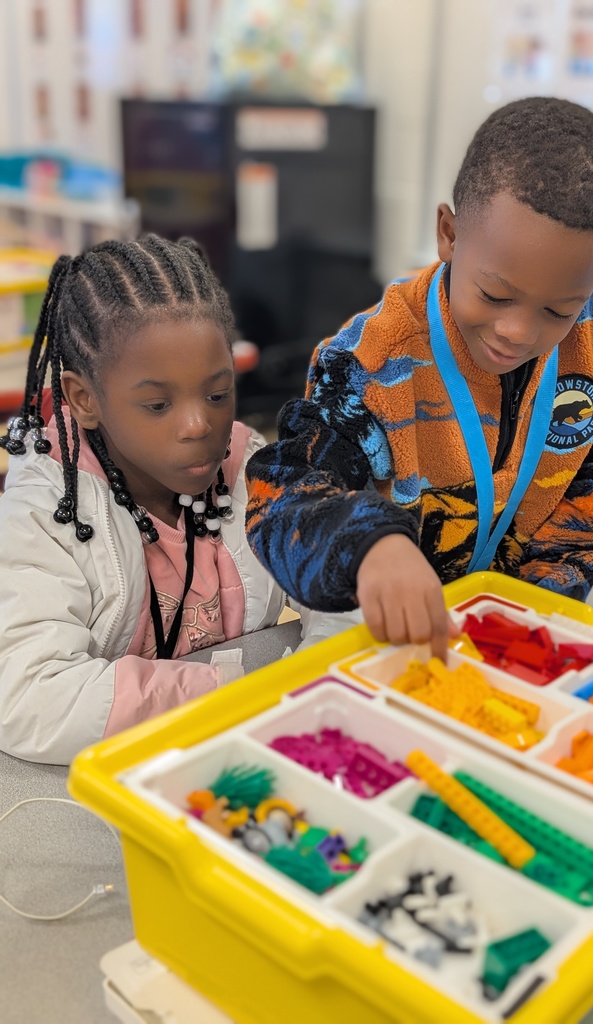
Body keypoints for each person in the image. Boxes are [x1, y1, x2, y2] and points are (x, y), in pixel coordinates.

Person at [245, 97, 593, 658]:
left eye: (558, 311)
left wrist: (532, 615)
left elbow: (588, 503)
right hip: (379, 631)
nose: (518, 332)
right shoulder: (368, 364)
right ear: (449, 234)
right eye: (496, 295)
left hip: (513, 630)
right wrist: (369, 544)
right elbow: (278, 496)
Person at [0, 235, 352, 765]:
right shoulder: (45, 513)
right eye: (158, 404)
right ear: (83, 399)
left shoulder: (244, 462)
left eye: (217, 394)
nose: (199, 425)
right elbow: (28, 697)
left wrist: (307, 689)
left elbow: (335, 589)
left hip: (236, 753)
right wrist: (228, 695)